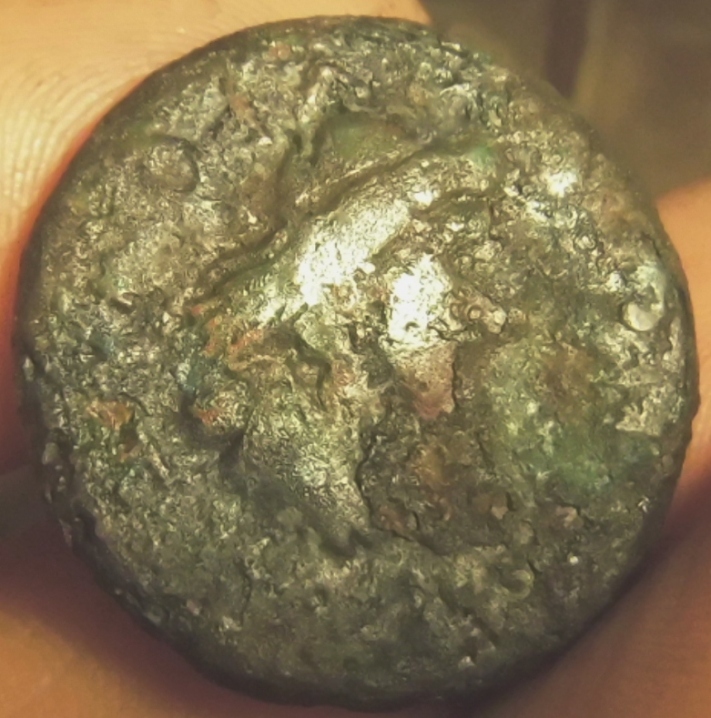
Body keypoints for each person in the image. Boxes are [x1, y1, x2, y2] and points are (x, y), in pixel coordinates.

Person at [0, 2, 709, 716]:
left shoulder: (422, 505)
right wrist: (441, 175)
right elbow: (414, 195)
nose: (484, 310)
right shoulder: (289, 340)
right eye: (452, 263)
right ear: (344, 341)